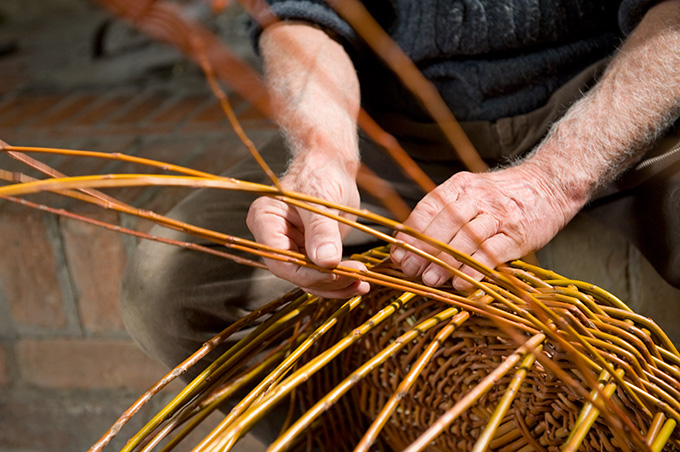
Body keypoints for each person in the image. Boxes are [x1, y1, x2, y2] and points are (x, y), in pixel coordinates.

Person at [121, 0, 680, 385]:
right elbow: (300, 10)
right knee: (167, 293)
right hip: (385, 121)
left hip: (611, 101)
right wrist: (326, 155)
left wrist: (553, 181)